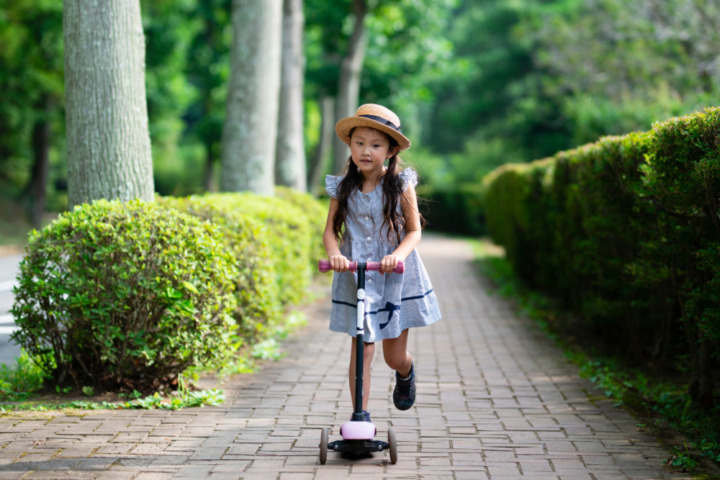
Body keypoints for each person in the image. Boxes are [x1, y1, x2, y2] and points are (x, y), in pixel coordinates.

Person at [323, 103, 442, 421]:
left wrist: (396, 256)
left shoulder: (400, 185)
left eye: (375, 145)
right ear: (350, 145)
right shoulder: (342, 187)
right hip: (357, 276)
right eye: (359, 142)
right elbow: (330, 232)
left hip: (394, 276)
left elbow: (414, 232)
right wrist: (335, 254)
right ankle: (359, 416)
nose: (366, 151)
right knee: (362, 347)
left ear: (390, 150)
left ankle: (406, 371)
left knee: (393, 355)